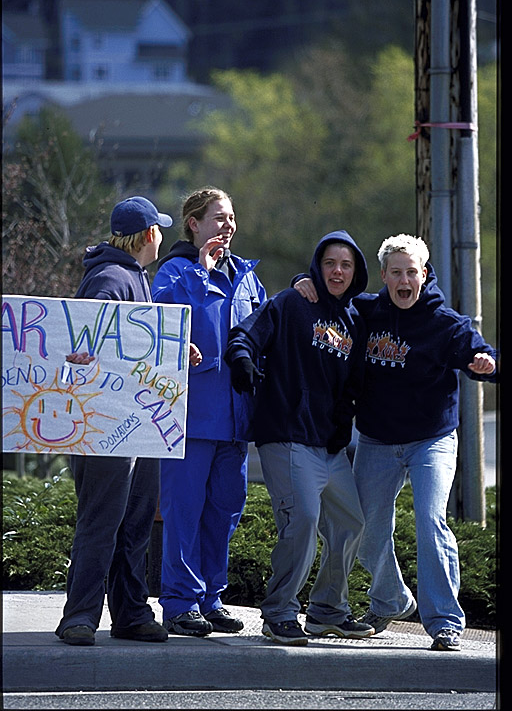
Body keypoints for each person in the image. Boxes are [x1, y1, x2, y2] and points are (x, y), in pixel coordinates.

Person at [293, 233, 498, 652]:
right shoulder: (366, 311)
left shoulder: (446, 324)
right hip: (377, 439)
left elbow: (481, 354)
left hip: (432, 441)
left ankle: (443, 621)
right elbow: (330, 296)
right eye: (396, 273)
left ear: (424, 274)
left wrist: (487, 364)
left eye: (412, 272)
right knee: (364, 527)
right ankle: (390, 598)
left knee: (429, 520)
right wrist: (303, 280)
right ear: (384, 276)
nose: (405, 280)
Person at [225, 230, 375, 646]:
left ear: (356, 271)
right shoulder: (292, 303)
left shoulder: (354, 320)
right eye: (329, 263)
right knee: (304, 521)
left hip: (329, 446)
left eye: (346, 265)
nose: (337, 271)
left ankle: (328, 610)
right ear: (317, 266)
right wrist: (241, 360)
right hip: (287, 436)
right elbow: (245, 334)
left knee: (351, 522)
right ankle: (279, 612)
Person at [56, 195, 179, 647]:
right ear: (148, 234)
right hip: (104, 425)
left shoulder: (134, 277)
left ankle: (129, 612)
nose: (162, 237)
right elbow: (87, 341)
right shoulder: (111, 278)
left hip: (138, 423)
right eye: (160, 229)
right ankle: (79, 616)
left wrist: (171, 351)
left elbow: (132, 345)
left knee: (135, 521)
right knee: (103, 520)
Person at [151, 186, 267, 637]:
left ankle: (211, 598)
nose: (228, 225)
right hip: (187, 419)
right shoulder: (176, 271)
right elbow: (157, 320)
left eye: (232, 217)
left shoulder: (247, 276)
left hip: (235, 421)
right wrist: (202, 273)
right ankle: (180, 603)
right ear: (194, 224)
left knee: (224, 510)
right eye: (219, 217)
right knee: (184, 513)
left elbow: (264, 330)